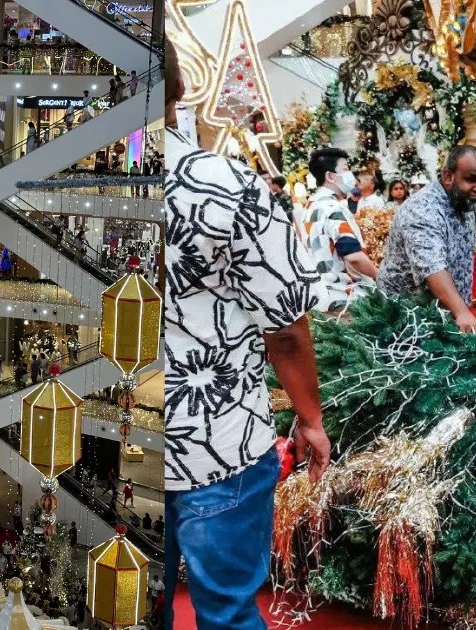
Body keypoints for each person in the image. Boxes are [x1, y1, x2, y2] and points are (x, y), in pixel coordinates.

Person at [164, 38, 329, 630]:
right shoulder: (224, 183)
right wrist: (310, 420)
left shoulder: (77, 178)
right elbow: (285, 325)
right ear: (180, 89)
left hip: (111, 444)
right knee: (230, 613)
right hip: (218, 441)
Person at [379, 145, 476, 333]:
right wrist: (461, 311)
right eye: (471, 180)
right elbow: (432, 268)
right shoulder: (422, 209)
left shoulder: (464, 204)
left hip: (443, 317)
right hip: (404, 321)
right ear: (448, 176)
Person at [299, 147, 377, 313]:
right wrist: (380, 277)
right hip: (347, 297)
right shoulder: (333, 208)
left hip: (323, 298)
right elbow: (353, 256)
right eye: (345, 169)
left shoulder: (310, 206)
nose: (350, 175)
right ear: (330, 176)